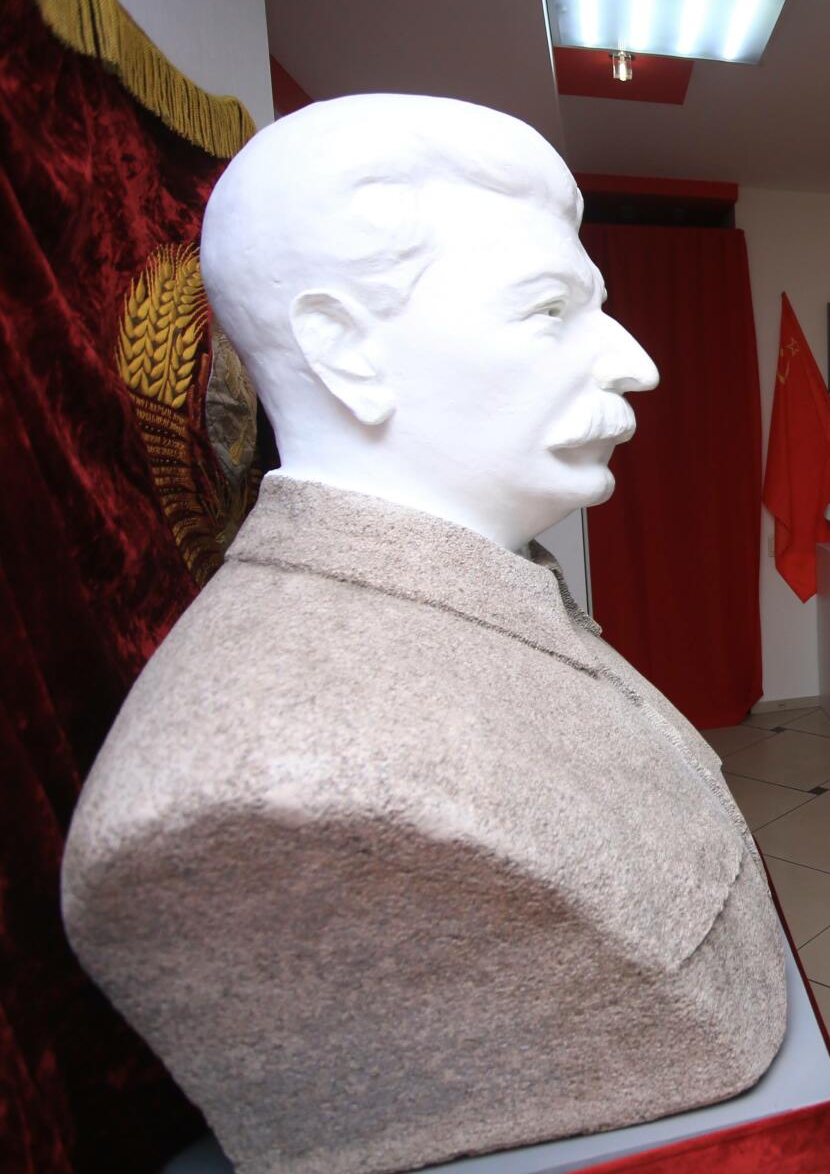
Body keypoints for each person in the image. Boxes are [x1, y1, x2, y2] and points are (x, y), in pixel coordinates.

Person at [60, 95, 787, 1174]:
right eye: (550, 310)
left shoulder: (501, 587)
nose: (637, 362)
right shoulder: (251, 781)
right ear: (345, 349)